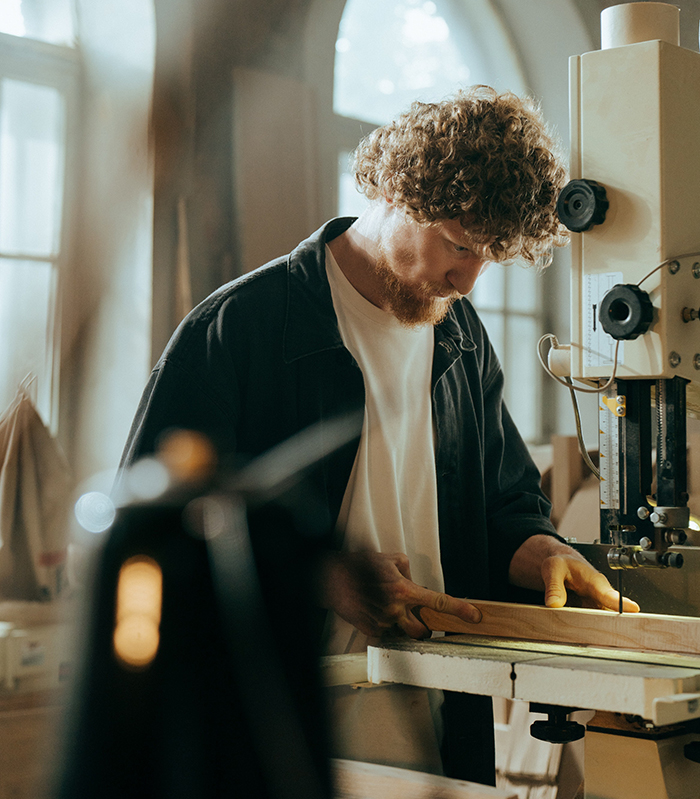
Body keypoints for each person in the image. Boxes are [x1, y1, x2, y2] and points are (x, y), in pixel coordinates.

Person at [119, 86, 638, 785]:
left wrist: (540, 548)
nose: (468, 278)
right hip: (284, 714)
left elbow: (504, 498)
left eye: (489, 258)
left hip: (441, 707)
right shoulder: (239, 327)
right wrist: (324, 575)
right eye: (458, 244)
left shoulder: (460, 334)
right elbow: (154, 533)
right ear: (397, 188)